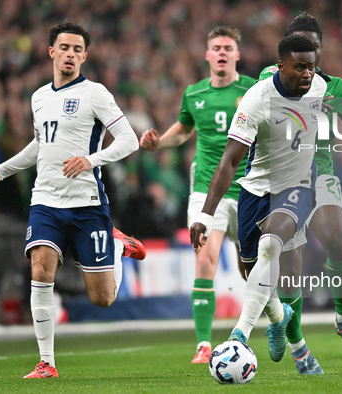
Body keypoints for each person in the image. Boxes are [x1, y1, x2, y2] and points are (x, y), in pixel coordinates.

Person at [0, 20, 146, 379]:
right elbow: (40, 146)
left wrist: (91, 159)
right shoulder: (39, 97)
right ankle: (46, 362)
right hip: (46, 201)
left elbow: (128, 140)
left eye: (77, 50)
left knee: (103, 298)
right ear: (51, 51)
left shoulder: (96, 93)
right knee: (41, 267)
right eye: (64, 48)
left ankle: (117, 247)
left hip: (87, 204)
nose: (70, 54)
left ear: (85, 56)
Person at [190, 34, 327, 364]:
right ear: (281, 66)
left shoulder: (321, 86)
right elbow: (230, 161)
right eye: (300, 68)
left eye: (312, 67)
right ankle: (280, 319)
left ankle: (239, 335)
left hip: (297, 186)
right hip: (254, 190)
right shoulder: (256, 100)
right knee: (252, 272)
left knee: (270, 246)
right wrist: (206, 215)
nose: (308, 75)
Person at [259, 12, 342, 374]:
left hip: (320, 172)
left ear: (320, 49)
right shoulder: (269, 77)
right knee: (290, 272)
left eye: (313, 44)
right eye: (300, 43)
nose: (307, 50)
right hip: (279, 178)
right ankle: (297, 346)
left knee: (336, 239)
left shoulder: (336, 86)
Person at [139, 26, 255, 364]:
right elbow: (184, 130)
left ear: (237, 55)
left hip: (248, 188)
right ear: (207, 55)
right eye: (216, 47)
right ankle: (204, 344)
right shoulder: (194, 94)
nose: (221, 52)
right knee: (204, 259)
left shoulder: (252, 90)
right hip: (207, 191)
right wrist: (159, 141)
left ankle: (272, 324)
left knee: (252, 270)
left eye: (228, 47)